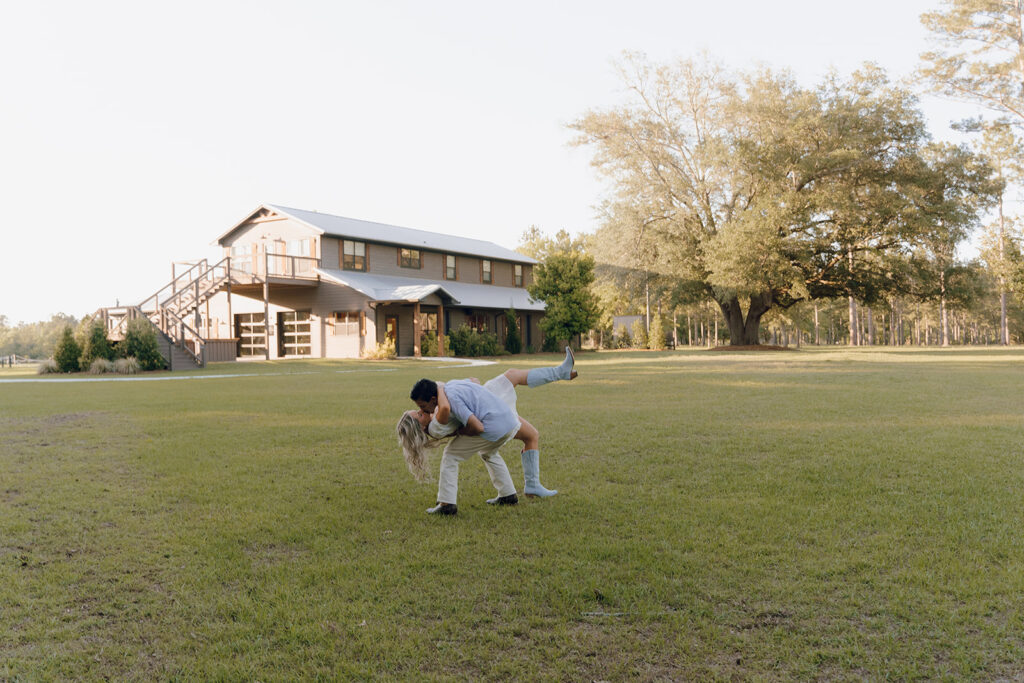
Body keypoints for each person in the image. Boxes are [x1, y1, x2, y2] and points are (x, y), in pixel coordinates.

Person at [396, 347, 576, 515]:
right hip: (486, 410)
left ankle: (459, 501)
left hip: (483, 402)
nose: (422, 411)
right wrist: (442, 388)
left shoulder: (440, 406)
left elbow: (471, 384)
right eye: (419, 413)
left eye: (420, 409)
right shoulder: (436, 420)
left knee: (512, 377)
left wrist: (447, 390)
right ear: (419, 428)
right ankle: (512, 491)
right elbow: (447, 408)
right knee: (490, 448)